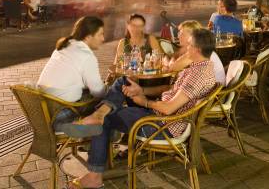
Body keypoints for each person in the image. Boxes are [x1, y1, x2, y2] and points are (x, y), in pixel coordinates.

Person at [61, 28, 218, 189]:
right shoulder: (201, 67)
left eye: (189, 45)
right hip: (159, 117)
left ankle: (94, 175)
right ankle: (101, 114)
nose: (185, 47)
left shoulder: (198, 74)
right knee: (123, 82)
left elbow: (169, 108)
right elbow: (170, 92)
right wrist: (141, 91)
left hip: (162, 126)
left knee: (105, 119)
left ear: (196, 49)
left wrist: (144, 101)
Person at [37, 16, 107, 131]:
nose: (103, 38)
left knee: (89, 96)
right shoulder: (87, 56)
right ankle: (96, 138)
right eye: (100, 34)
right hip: (61, 114)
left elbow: (69, 76)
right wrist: (108, 88)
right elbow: (98, 91)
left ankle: (89, 141)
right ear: (88, 37)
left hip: (44, 111)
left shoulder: (64, 46)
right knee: (106, 104)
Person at [168, 20, 225, 85]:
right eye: (179, 33)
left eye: (182, 34)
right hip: (209, 88)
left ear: (192, 36)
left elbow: (173, 68)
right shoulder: (198, 47)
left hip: (214, 92)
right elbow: (176, 56)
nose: (178, 36)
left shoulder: (197, 51)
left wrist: (169, 61)